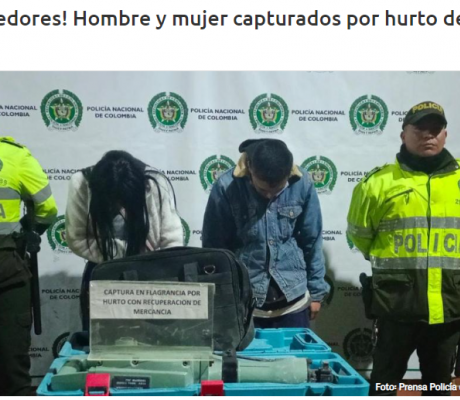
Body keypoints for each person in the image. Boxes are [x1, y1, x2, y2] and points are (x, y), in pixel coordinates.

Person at [347, 101, 460, 396]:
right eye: (420, 128)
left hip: (448, 309)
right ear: (403, 134)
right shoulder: (377, 184)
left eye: (436, 129)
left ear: (445, 135)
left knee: (437, 385)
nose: (428, 135)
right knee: (385, 384)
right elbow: (361, 237)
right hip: (396, 307)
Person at [202, 139, 329, 328]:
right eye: (263, 189)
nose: (270, 196)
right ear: (250, 169)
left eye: (278, 190)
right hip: (244, 301)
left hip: (294, 299)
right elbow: (214, 247)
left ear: (289, 173)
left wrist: (317, 292)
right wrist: (221, 296)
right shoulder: (226, 186)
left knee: (297, 358)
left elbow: (312, 240)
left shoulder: (303, 182)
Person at [65, 150, 183, 329]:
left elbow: (172, 240)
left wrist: (161, 271)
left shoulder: (155, 183)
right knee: (100, 337)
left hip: (150, 271)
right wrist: (126, 253)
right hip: (103, 268)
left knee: (152, 336)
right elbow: (77, 238)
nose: (119, 204)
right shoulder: (82, 183)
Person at [0, 136, 57, 396]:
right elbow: (47, 208)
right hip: (6, 268)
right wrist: (24, 234)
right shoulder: (15, 156)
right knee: (13, 363)